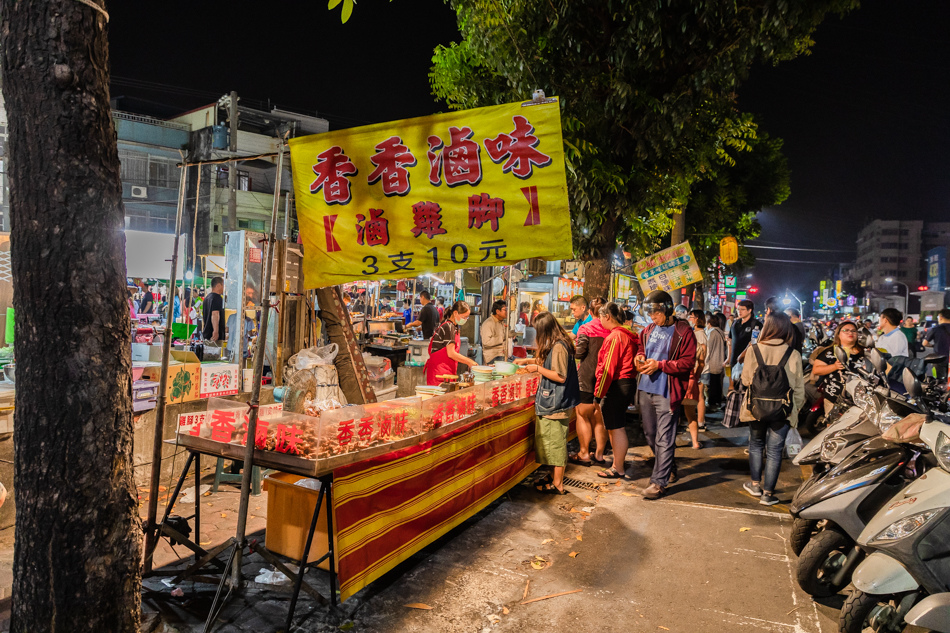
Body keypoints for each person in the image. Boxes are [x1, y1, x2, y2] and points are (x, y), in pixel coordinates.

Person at [631, 291, 696, 499]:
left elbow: (687, 362)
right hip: (646, 388)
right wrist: (640, 357)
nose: (653, 317)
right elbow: (641, 347)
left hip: (667, 391)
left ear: (667, 310)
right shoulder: (649, 329)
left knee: (664, 437)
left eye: (656, 313)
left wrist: (660, 365)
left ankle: (658, 483)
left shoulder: (684, 331)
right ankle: (669, 467)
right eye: (650, 313)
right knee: (650, 434)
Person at [740, 312, 805, 506]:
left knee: (756, 445)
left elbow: (745, 380)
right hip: (782, 409)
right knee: (775, 451)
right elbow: (799, 388)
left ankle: (755, 485)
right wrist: (795, 412)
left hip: (756, 407)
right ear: (786, 329)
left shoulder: (754, 349)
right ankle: (768, 494)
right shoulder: (793, 354)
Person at [514, 312, 580, 494]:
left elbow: (559, 375)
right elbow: (550, 363)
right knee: (550, 444)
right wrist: (529, 360)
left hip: (556, 404)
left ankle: (558, 484)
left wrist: (537, 368)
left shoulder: (559, 347)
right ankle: (553, 477)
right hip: (553, 401)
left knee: (556, 445)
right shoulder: (557, 344)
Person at [593, 302, 641, 480]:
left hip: (618, 385)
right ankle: (617, 465)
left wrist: (597, 395)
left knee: (616, 427)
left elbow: (608, 369)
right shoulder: (628, 334)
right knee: (615, 426)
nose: (599, 321)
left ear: (607, 317)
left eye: (600, 317)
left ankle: (618, 467)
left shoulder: (616, 336)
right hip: (626, 383)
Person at [571, 297, 610, 466]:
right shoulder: (613, 330)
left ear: (590, 311)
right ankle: (599, 454)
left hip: (586, 377)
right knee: (600, 417)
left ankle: (584, 453)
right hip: (606, 379)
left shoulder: (586, 329)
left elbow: (579, 354)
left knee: (582, 415)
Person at [811, 321, 865, 410]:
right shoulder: (830, 352)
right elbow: (816, 370)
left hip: (860, 400)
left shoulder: (865, 352)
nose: (850, 333)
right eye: (846, 330)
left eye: (853, 331)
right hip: (834, 398)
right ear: (838, 334)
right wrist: (834, 366)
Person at [425, 301, 478, 385]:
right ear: (455, 313)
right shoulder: (448, 327)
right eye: (464, 317)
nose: (465, 320)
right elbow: (451, 353)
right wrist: (469, 362)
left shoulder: (454, 327)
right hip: (439, 372)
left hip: (446, 371)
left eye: (467, 318)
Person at [683, 310, 708, 449]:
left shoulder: (676, 344)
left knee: (672, 414)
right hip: (691, 380)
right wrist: (696, 376)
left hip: (676, 381)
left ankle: (670, 443)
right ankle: (695, 442)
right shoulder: (696, 344)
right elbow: (702, 363)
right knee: (690, 413)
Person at [727, 300, 762, 389]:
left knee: (746, 387)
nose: (739, 311)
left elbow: (756, 343)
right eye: (738, 309)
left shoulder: (756, 324)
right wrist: (729, 357)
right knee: (734, 387)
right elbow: (730, 340)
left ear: (750, 310)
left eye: (742, 309)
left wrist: (743, 355)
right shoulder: (735, 323)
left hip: (748, 361)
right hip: (734, 360)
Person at [703, 313, 728, 411]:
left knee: (712, 386)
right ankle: (716, 402)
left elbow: (708, 349)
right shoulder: (719, 332)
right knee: (716, 384)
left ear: (708, 323)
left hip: (713, 363)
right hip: (718, 362)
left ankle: (712, 404)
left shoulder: (712, 333)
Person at [480, 299, 515, 365]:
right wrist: (503, 337)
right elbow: (486, 342)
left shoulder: (501, 322)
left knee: (519, 362)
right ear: (498, 311)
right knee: (513, 364)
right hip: (493, 357)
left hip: (502, 355)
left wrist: (511, 334)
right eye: (505, 310)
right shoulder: (488, 323)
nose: (507, 312)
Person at [202, 277, 226, 343]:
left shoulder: (207, 298)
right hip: (214, 337)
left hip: (207, 333)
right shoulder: (217, 298)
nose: (224, 288)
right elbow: (215, 314)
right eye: (223, 285)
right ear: (218, 285)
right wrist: (215, 331)